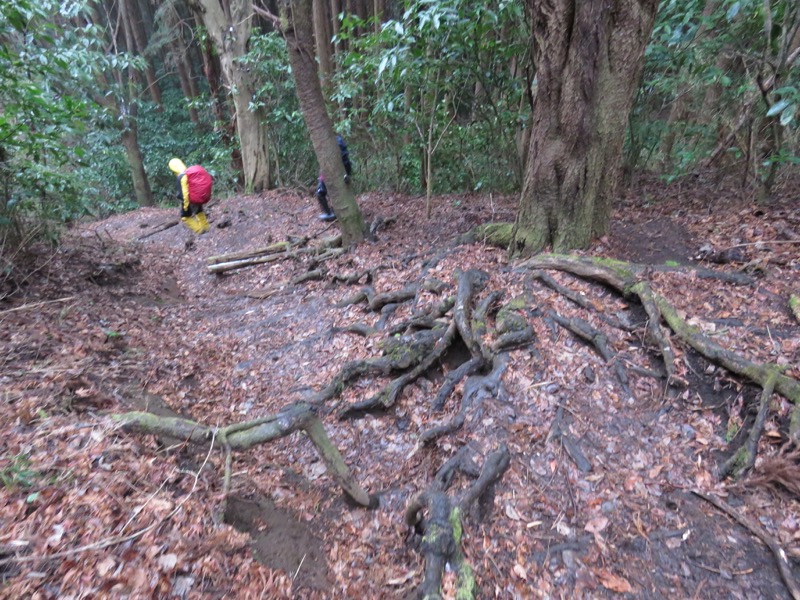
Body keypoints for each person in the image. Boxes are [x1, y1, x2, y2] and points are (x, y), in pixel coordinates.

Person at [168, 158, 213, 234]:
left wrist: (185, 206)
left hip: (189, 200)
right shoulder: (188, 173)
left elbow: (184, 193)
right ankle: (206, 228)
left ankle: (200, 231)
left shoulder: (181, 177)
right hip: (197, 197)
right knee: (199, 212)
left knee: (185, 217)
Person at [315, 135, 352, 221]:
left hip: (329, 171)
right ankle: (331, 212)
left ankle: (329, 214)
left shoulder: (334, 143)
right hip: (339, 170)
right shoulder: (338, 142)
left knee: (320, 193)